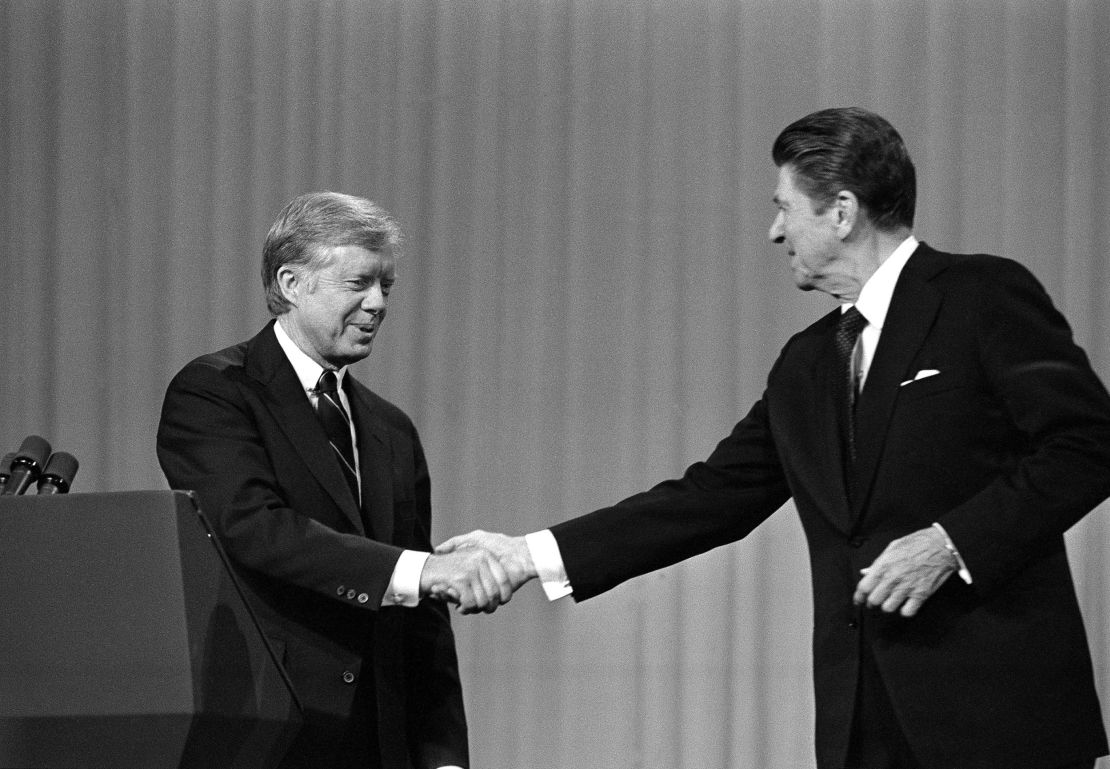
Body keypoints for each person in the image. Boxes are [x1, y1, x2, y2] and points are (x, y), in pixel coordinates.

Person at [439, 108, 1110, 769]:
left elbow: (1089, 442)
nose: (773, 231)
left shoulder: (980, 295)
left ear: (842, 212)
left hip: (1001, 721)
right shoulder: (807, 362)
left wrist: (951, 542)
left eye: (785, 208)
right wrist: (527, 555)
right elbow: (710, 498)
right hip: (863, 728)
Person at [157, 192, 512, 769]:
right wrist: (422, 570)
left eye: (386, 287)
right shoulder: (217, 392)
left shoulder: (390, 428)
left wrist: (444, 757)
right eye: (359, 283)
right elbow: (253, 529)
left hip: (380, 744)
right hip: (270, 736)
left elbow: (422, 621)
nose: (377, 304)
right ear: (292, 283)